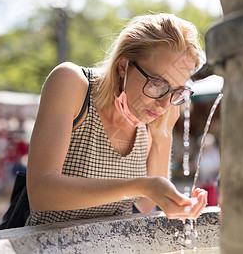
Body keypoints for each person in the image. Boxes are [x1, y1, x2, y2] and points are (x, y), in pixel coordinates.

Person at [26, 13, 208, 226]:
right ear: (123, 66)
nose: (164, 103)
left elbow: (147, 203)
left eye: (178, 91)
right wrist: (142, 185)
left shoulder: (153, 115)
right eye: (158, 84)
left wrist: (161, 137)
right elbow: (40, 193)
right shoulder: (72, 84)